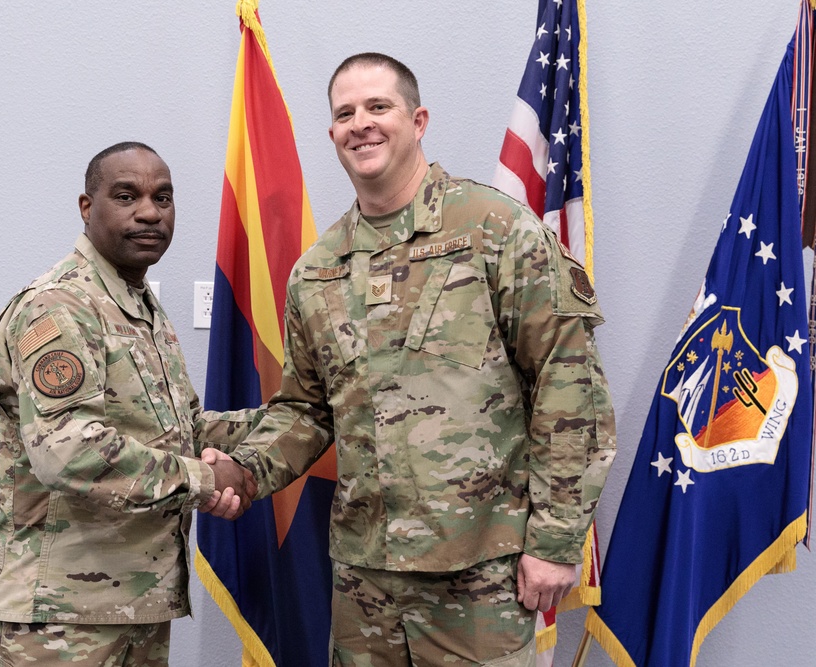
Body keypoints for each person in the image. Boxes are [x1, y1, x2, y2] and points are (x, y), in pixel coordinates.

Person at [216, 53, 617, 666]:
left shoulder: (495, 230)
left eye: (379, 107)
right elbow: (306, 411)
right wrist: (243, 473)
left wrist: (557, 540)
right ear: (332, 135)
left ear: (418, 119)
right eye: (345, 113)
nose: (361, 124)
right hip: (364, 583)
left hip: (478, 578)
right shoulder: (318, 272)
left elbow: (569, 390)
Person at [0, 141, 257, 666]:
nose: (150, 212)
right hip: (57, 621)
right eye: (126, 196)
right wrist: (205, 480)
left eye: (163, 197)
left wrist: (293, 419)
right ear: (88, 207)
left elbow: (183, 431)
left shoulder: (139, 305)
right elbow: (70, 451)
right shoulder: (59, 307)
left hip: (134, 606)